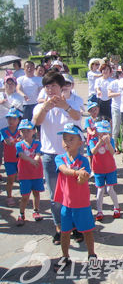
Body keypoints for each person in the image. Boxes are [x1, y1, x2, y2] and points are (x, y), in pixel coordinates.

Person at [33, 70, 81, 245]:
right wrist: (45, 107)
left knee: (73, 193)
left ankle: (75, 226)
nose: (50, 89)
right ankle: (59, 228)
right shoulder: (40, 106)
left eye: (54, 85)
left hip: (70, 156)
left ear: (62, 87)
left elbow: (77, 117)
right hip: (49, 155)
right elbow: (37, 122)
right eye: (47, 86)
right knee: (55, 196)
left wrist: (65, 107)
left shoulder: (69, 105)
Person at [53, 123, 96, 271]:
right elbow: (64, 170)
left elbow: (82, 180)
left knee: (88, 231)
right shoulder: (60, 158)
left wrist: (82, 177)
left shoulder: (84, 161)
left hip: (82, 203)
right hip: (66, 203)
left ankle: (92, 255)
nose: (66, 142)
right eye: (65, 139)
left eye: (71, 139)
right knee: (65, 232)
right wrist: (77, 173)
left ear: (80, 143)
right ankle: (65, 257)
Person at [89, 120, 120, 220]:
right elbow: (93, 152)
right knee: (100, 190)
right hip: (98, 170)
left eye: (105, 132)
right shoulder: (92, 141)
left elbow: (112, 152)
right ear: (97, 132)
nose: (103, 134)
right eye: (101, 132)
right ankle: (99, 210)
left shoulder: (110, 140)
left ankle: (116, 207)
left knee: (110, 189)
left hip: (110, 168)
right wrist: (99, 143)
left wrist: (108, 143)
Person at [15, 119, 44, 226]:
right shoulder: (19, 145)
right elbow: (21, 155)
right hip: (24, 174)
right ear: (20, 132)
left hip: (36, 174)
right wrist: (32, 160)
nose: (25, 133)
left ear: (34, 131)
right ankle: (21, 214)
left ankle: (36, 210)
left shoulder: (38, 143)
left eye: (28, 131)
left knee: (36, 193)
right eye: (23, 131)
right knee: (25, 196)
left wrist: (35, 159)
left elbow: (38, 153)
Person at [1, 107, 22, 207]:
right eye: (9, 118)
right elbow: (8, 142)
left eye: (14, 119)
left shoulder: (22, 130)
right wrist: (18, 140)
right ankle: (9, 197)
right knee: (10, 179)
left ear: (18, 120)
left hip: (21, 160)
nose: (11, 121)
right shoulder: (3, 130)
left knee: (22, 179)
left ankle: (24, 196)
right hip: (9, 160)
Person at [108, 67, 123, 154]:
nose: (122, 74)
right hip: (116, 107)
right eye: (120, 73)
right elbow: (109, 94)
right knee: (116, 128)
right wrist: (120, 93)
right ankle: (113, 146)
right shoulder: (113, 83)